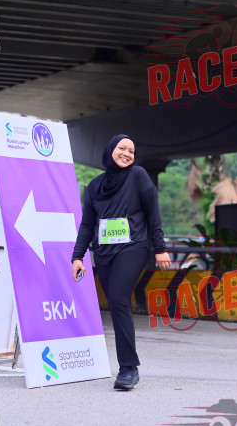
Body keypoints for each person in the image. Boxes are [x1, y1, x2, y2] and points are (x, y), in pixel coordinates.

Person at [71, 134, 171, 391]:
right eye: (122, 148)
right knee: (117, 304)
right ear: (110, 150)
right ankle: (127, 365)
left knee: (118, 298)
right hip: (104, 252)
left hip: (134, 246)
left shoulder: (138, 175)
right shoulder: (94, 186)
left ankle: (128, 368)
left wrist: (160, 248)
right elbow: (87, 225)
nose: (127, 154)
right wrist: (77, 256)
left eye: (131, 151)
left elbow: (153, 213)